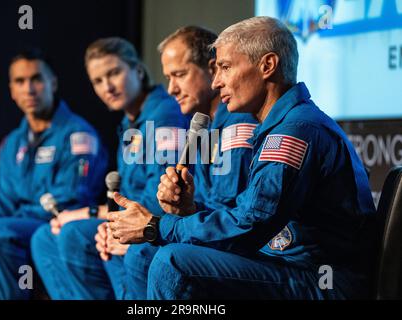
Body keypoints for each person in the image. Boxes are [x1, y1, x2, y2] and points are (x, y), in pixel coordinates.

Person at [107, 17, 378, 299]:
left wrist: (156, 226)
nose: (216, 81)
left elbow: (251, 225)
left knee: (173, 262)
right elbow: (250, 215)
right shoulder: (283, 124)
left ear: (267, 66)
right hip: (289, 266)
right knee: (160, 253)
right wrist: (190, 209)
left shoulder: (295, 131)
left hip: (324, 280)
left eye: (225, 67)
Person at [94, 26, 258, 299]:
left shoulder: (235, 124)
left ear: (213, 69)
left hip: (250, 252)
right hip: (211, 235)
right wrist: (179, 207)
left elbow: (229, 215)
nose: (172, 89)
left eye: (180, 75)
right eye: (169, 77)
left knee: (143, 251)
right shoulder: (205, 126)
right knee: (114, 242)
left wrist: (153, 229)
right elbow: (203, 207)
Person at [30, 37, 188, 299]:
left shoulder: (164, 115)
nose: (108, 87)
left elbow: (161, 198)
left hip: (157, 223)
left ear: (137, 70)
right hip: (129, 215)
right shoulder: (129, 122)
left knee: (75, 233)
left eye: (114, 73)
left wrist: (90, 213)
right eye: (98, 81)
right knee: (44, 238)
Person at [0, 49, 108, 300]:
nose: (29, 89)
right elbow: (0, 205)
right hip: (7, 222)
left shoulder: (79, 136)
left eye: (36, 79)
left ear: (53, 83)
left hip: (53, 225)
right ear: (12, 90)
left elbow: (70, 202)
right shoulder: (11, 143)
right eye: (20, 82)